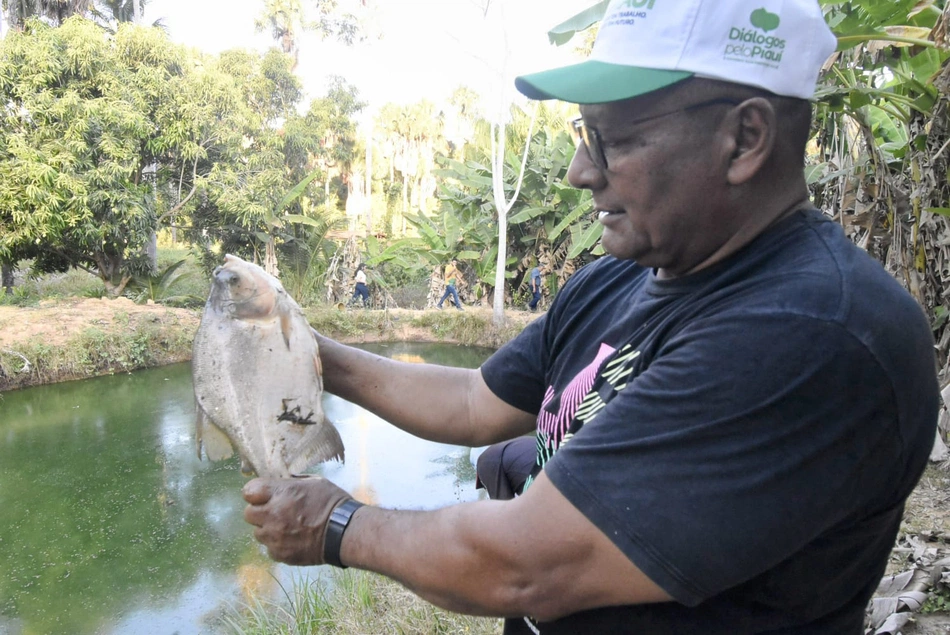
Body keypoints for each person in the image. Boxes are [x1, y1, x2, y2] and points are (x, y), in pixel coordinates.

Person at [242, 1, 940, 632]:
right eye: (584, 132)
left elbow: (523, 564)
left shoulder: (812, 332)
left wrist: (336, 524)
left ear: (745, 138)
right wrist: (302, 348)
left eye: (614, 139)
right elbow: (471, 401)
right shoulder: (623, 276)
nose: (580, 169)